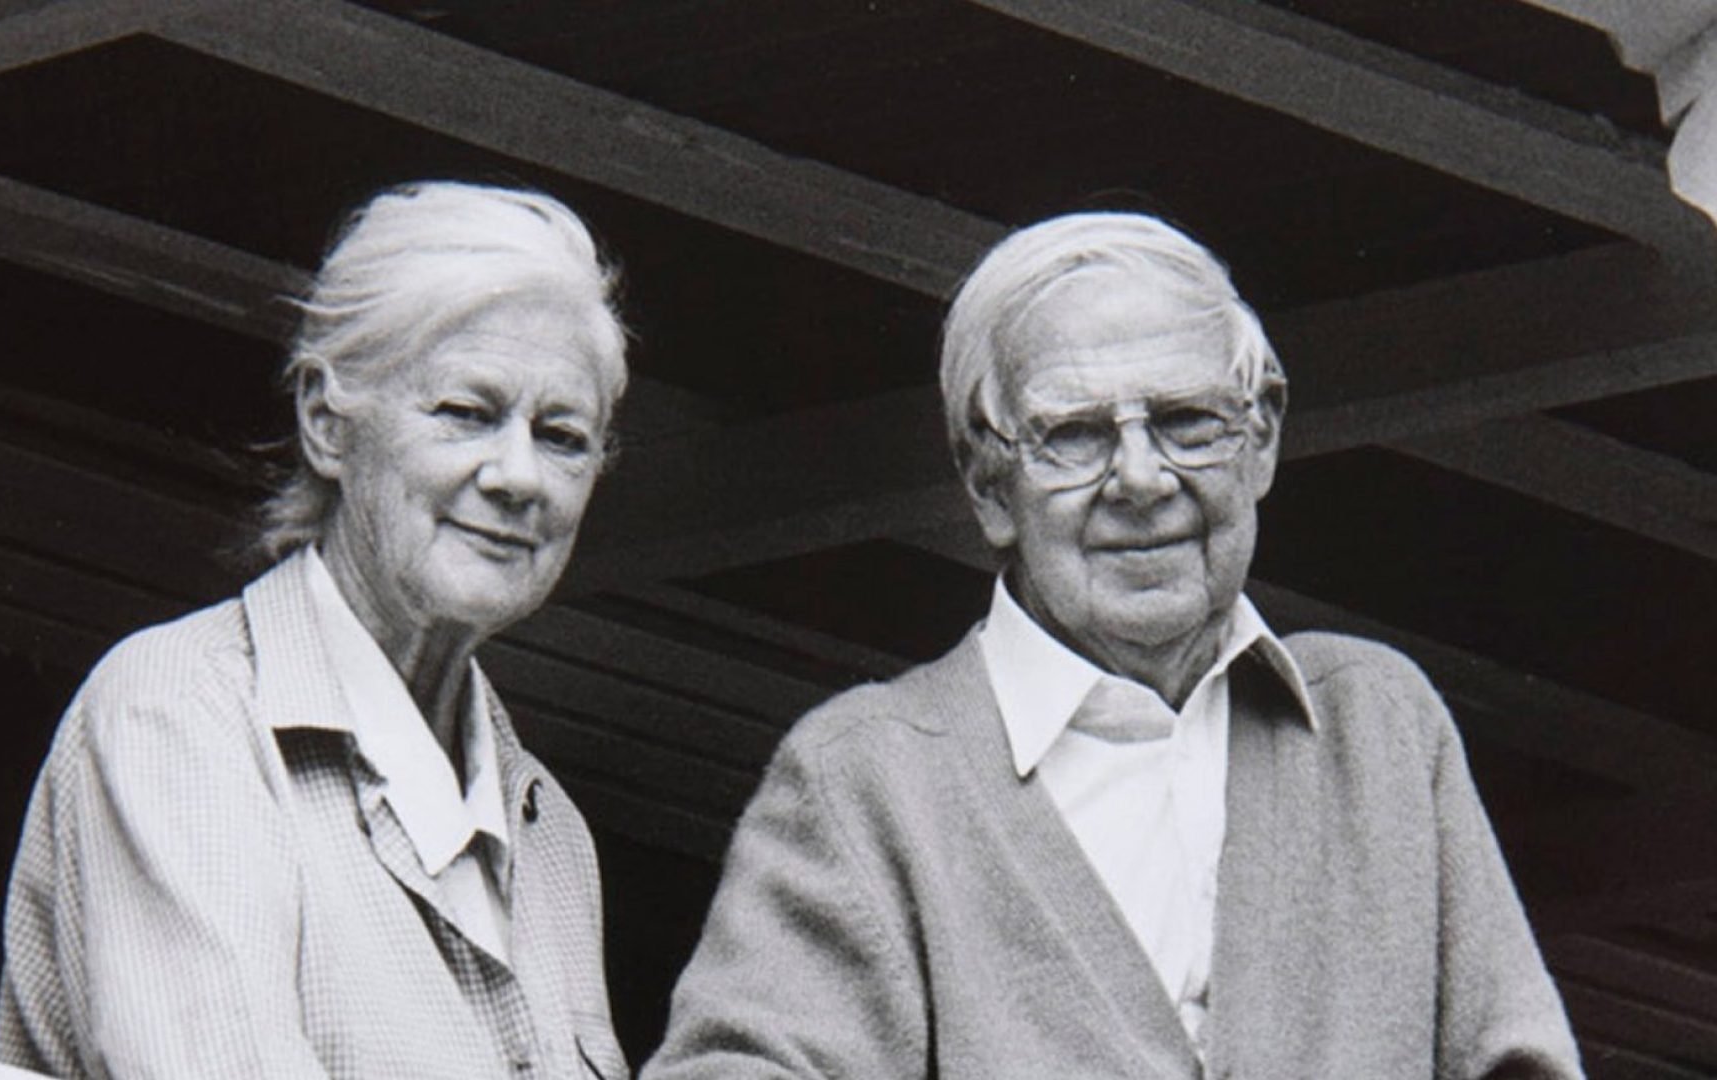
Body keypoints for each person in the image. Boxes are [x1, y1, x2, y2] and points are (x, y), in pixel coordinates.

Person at [644, 212, 1582, 1079]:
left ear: (1261, 439)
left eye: (1186, 423)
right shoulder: (869, 777)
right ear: (987, 482)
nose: (1141, 480)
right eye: (1077, 436)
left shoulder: (1378, 724)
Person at [0, 181, 631, 1079]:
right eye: (467, 412)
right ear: (328, 425)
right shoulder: (182, 715)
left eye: (562, 434)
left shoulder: (551, 835)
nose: (519, 475)